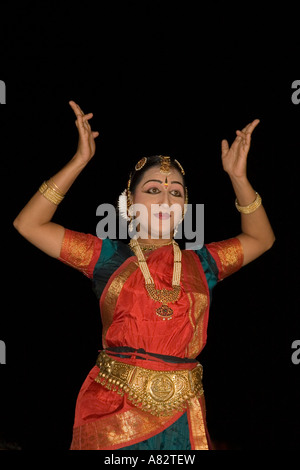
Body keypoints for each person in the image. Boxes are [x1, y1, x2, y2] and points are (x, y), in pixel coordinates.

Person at [13, 101, 275, 450]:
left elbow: (261, 238)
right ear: (129, 203)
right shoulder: (106, 257)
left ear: (185, 207)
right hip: (113, 411)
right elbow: (28, 224)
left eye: (176, 192)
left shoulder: (203, 264)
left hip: (183, 414)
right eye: (153, 189)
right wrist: (79, 161)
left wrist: (238, 178)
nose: (166, 198)